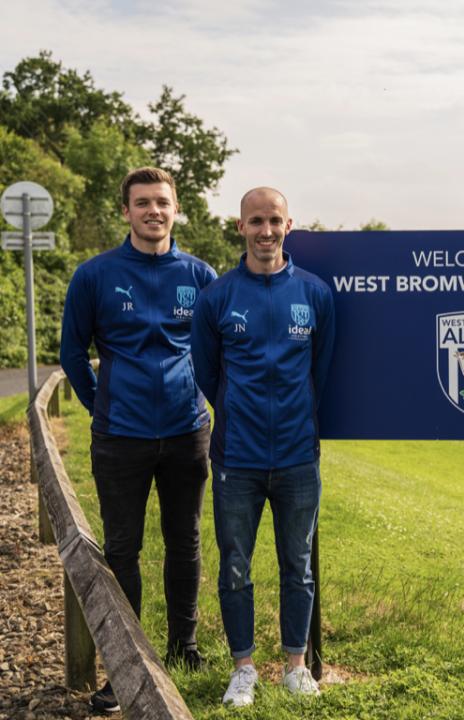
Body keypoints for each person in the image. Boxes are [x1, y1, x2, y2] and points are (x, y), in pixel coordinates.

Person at [60, 167, 216, 714]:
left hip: (185, 432)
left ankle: (183, 647)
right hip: (119, 435)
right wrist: (99, 403)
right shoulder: (95, 275)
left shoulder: (200, 276)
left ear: (176, 210)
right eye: (143, 202)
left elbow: (220, 351)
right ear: (125, 211)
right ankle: (122, 665)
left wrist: (205, 404)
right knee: (123, 550)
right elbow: (72, 355)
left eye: (163, 203)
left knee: (186, 540)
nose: (154, 211)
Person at [190, 187, 335, 707]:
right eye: (256, 221)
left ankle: (296, 665)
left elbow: (321, 369)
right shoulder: (218, 297)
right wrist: (240, 411)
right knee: (235, 564)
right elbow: (207, 373)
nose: (266, 230)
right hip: (237, 457)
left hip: (299, 456)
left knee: (298, 564)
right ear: (241, 227)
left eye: (274, 220)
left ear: (289, 225)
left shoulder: (315, 293)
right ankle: (244, 668)